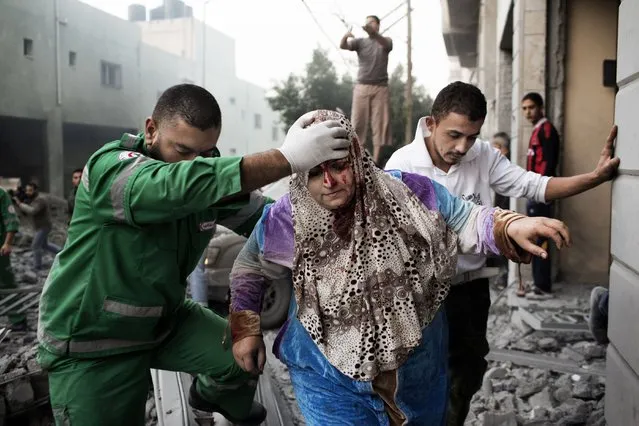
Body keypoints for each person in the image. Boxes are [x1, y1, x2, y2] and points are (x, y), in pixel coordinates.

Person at [228, 110, 571, 425]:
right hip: (325, 377)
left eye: (338, 165)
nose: (329, 181)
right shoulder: (287, 218)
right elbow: (249, 267)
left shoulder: (408, 191)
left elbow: (465, 219)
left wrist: (509, 226)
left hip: (415, 371)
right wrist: (246, 328)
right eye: (315, 172)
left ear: (357, 157)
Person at [35, 84, 351, 426]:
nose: (194, 162)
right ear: (151, 130)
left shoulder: (205, 178)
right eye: (183, 150)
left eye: (205, 153)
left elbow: (269, 221)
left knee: (242, 353)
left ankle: (213, 395)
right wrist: (285, 158)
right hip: (93, 342)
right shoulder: (113, 170)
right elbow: (176, 186)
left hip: (163, 319)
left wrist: (346, 236)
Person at [385, 81, 620, 426]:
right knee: (420, 377)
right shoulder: (401, 166)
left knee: (468, 372)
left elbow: (533, 184)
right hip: (421, 294)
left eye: (472, 136)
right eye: (454, 135)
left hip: (471, 289)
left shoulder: (483, 155)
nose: (463, 147)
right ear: (431, 123)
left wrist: (594, 178)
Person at [521, 92, 562, 295]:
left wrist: (541, 192)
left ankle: (543, 286)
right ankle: (538, 283)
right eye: (525, 108)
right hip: (534, 194)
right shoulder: (537, 130)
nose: (528, 112)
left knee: (542, 237)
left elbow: (548, 163)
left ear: (541, 107)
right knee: (535, 236)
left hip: (541, 194)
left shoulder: (546, 130)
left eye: (531, 107)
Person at [340, 15, 393, 164]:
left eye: (373, 23)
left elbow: (384, 43)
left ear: (378, 26)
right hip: (361, 86)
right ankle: (359, 160)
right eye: (368, 23)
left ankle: (376, 162)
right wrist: (346, 36)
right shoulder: (360, 42)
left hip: (381, 88)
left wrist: (374, 34)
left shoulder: (386, 41)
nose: (370, 25)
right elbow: (343, 46)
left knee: (380, 124)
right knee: (358, 123)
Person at [13, 182, 61, 272]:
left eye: (30, 190)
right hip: (41, 226)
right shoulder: (34, 199)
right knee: (45, 245)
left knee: (35, 246)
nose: (28, 192)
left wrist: (20, 204)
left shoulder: (40, 200)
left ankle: (37, 267)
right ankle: (62, 253)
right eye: (27, 190)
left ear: (35, 190)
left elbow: (32, 211)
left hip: (44, 226)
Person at [0, 187, 25, 330]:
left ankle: (19, 319)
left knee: (6, 282)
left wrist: (8, 243)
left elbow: (11, 220)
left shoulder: (1, 194)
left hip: (0, 249)